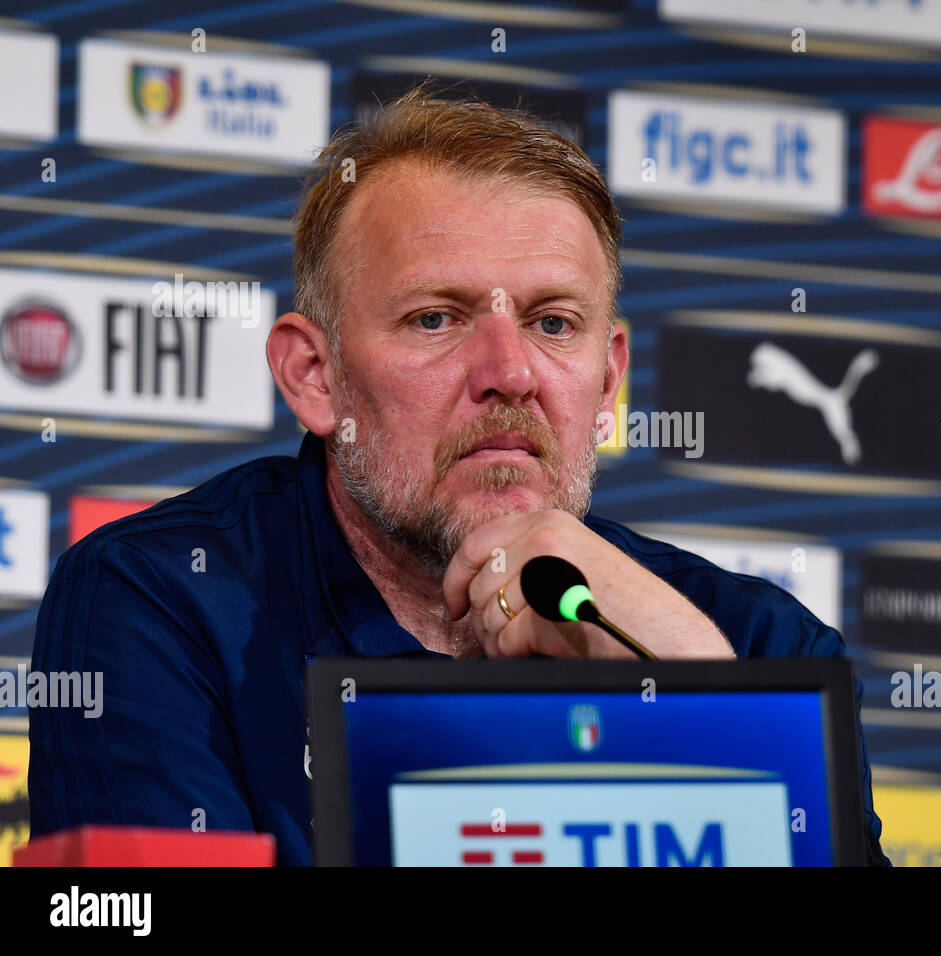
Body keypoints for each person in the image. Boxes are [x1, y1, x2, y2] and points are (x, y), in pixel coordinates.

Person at [28, 87, 890, 866]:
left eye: (554, 323)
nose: (510, 371)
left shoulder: (768, 647)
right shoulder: (160, 602)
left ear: (608, 379)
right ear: (314, 378)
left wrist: (695, 684)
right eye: (436, 317)